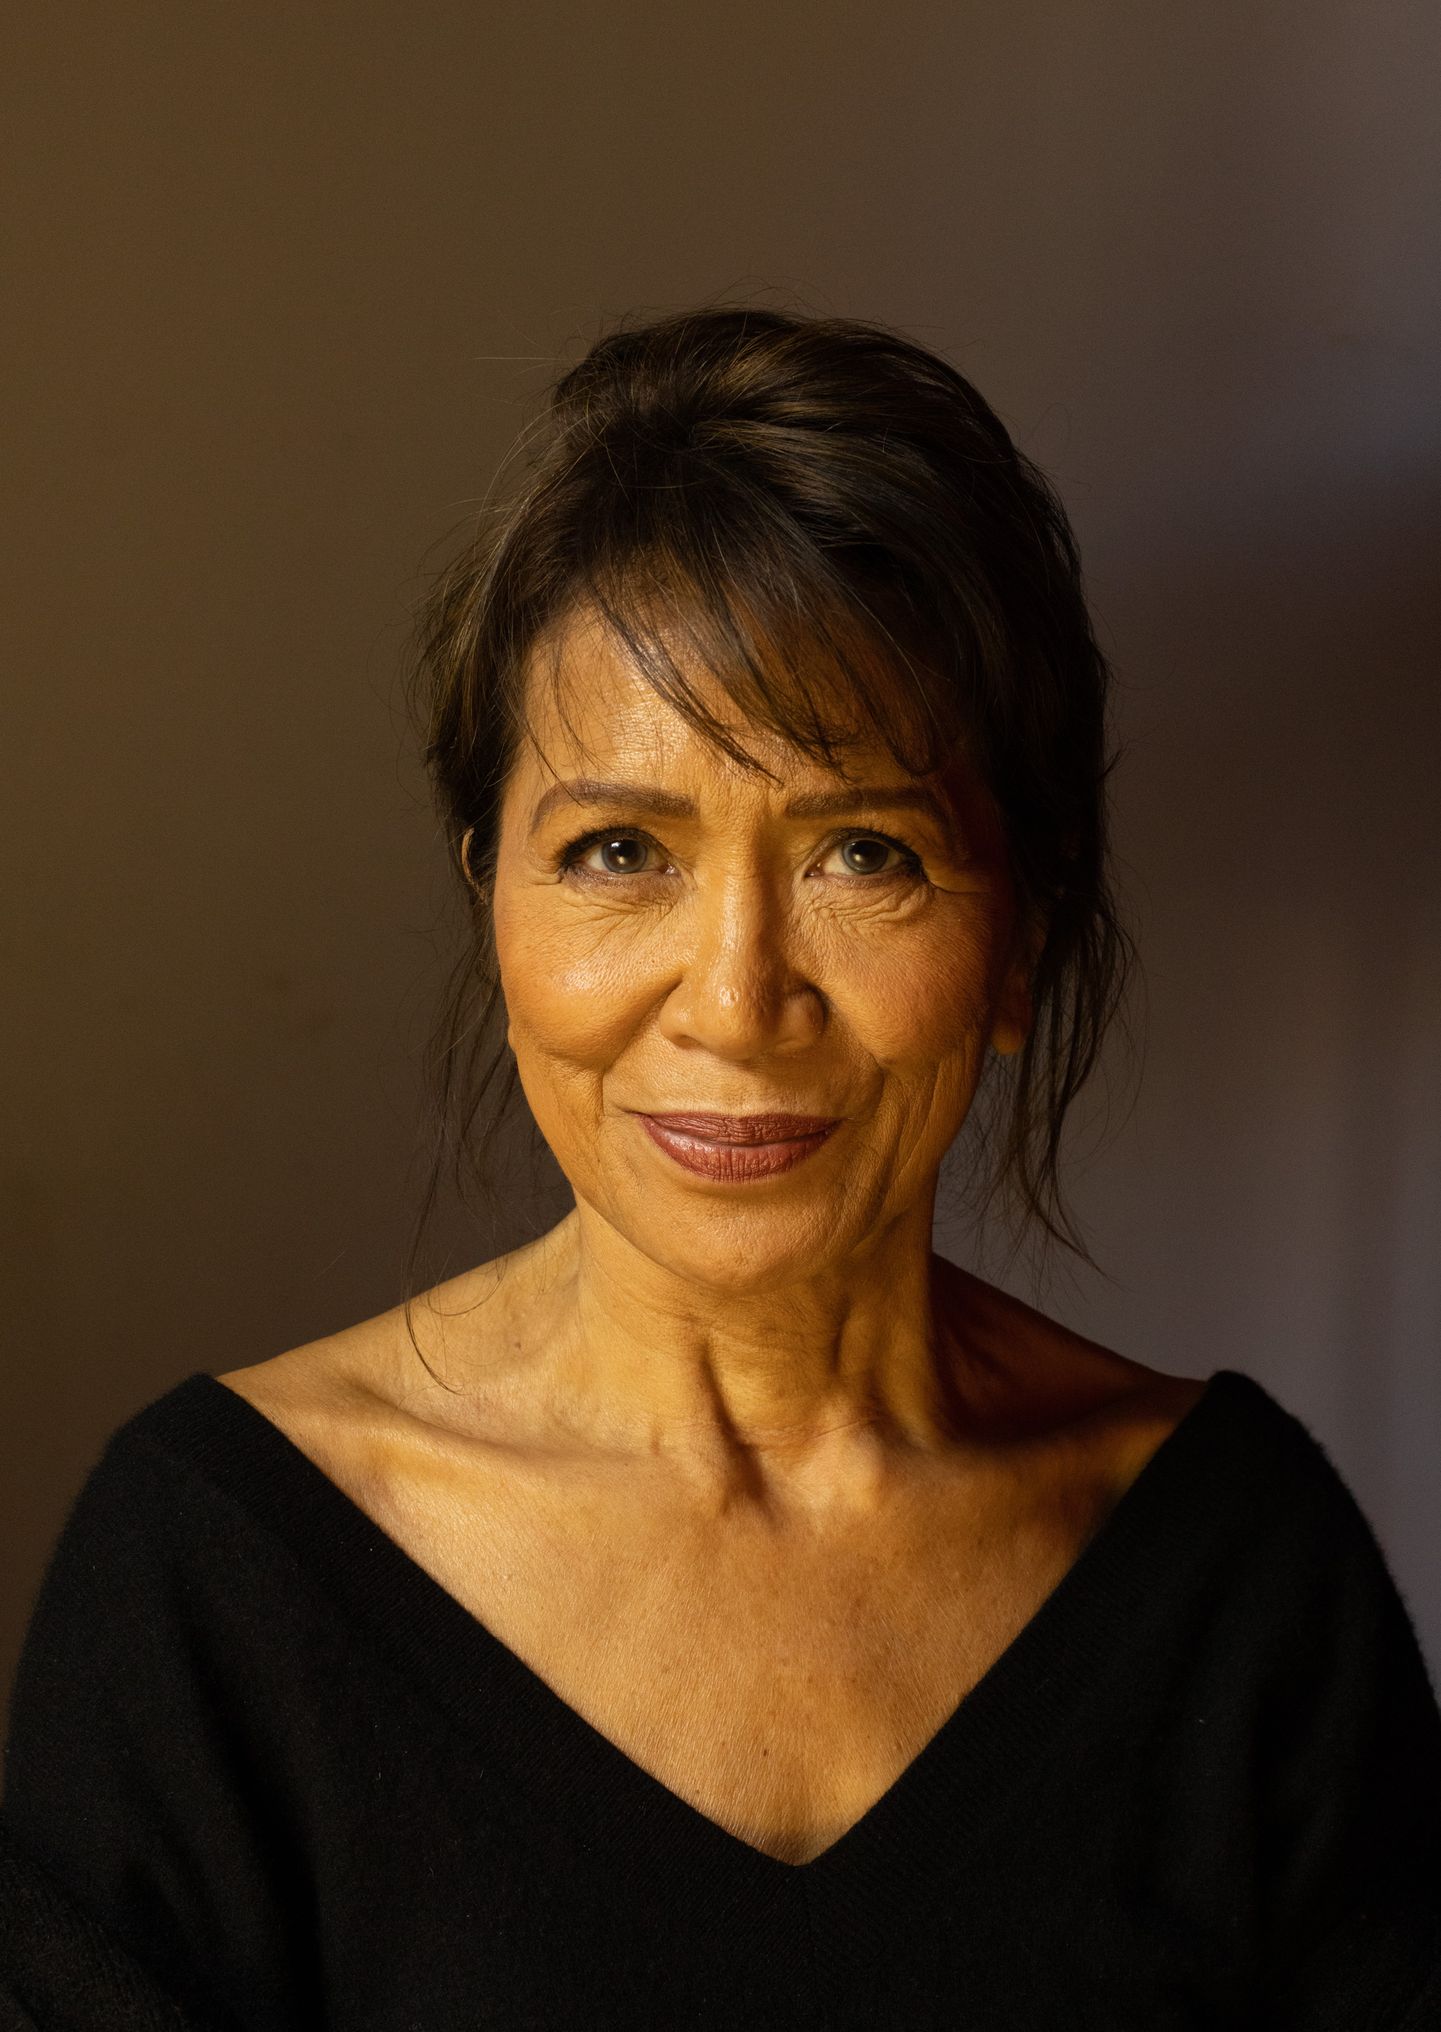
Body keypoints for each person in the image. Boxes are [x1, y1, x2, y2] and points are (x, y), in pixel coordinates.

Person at [3, 306, 1438, 2030]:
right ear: (492, 900)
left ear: (1017, 942)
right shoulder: (216, 1577)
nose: (738, 1001)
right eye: (620, 851)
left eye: (863, 852)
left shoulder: (1235, 1576)